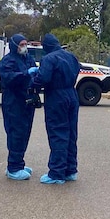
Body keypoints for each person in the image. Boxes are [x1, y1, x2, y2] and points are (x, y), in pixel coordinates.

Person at [32, 33, 80, 184]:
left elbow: (44, 78)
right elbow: (77, 71)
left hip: (56, 96)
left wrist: (32, 83)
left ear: (46, 46)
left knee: (58, 132)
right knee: (71, 133)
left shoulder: (49, 59)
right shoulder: (71, 56)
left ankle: (57, 173)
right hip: (72, 94)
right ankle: (70, 170)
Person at [0, 34, 38, 180]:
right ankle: (13, 167)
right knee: (16, 133)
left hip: (26, 100)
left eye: (25, 44)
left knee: (25, 133)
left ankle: (19, 162)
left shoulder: (28, 58)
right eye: (21, 44)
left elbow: (34, 74)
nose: (24, 46)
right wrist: (25, 74)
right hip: (13, 101)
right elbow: (8, 78)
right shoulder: (7, 61)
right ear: (14, 45)